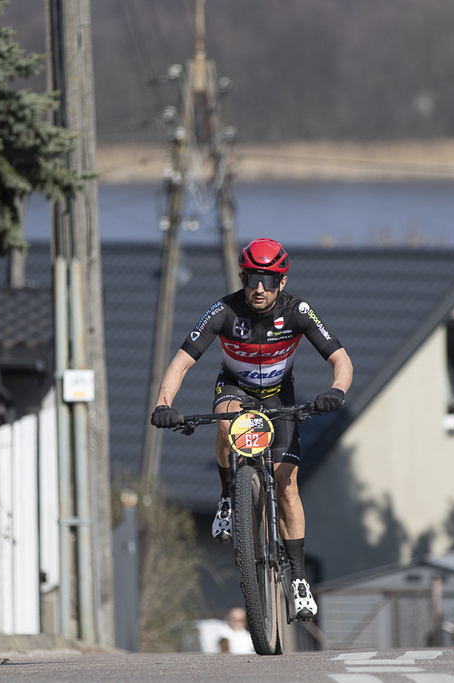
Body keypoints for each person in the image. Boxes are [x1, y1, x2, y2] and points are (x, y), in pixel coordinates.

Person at [150, 238, 353, 622]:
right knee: (228, 424)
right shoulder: (224, 311)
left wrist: (336, 391)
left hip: (279, 396)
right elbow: (180, 363)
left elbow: (341, 360)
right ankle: (229, 497)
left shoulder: (298, 311)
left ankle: (298, 579)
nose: (259, 288)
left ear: (282, 282)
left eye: (269, 280)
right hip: (235, 389)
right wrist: (164, 404)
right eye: (251, 278)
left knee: (287, 485)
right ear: (242, 278)